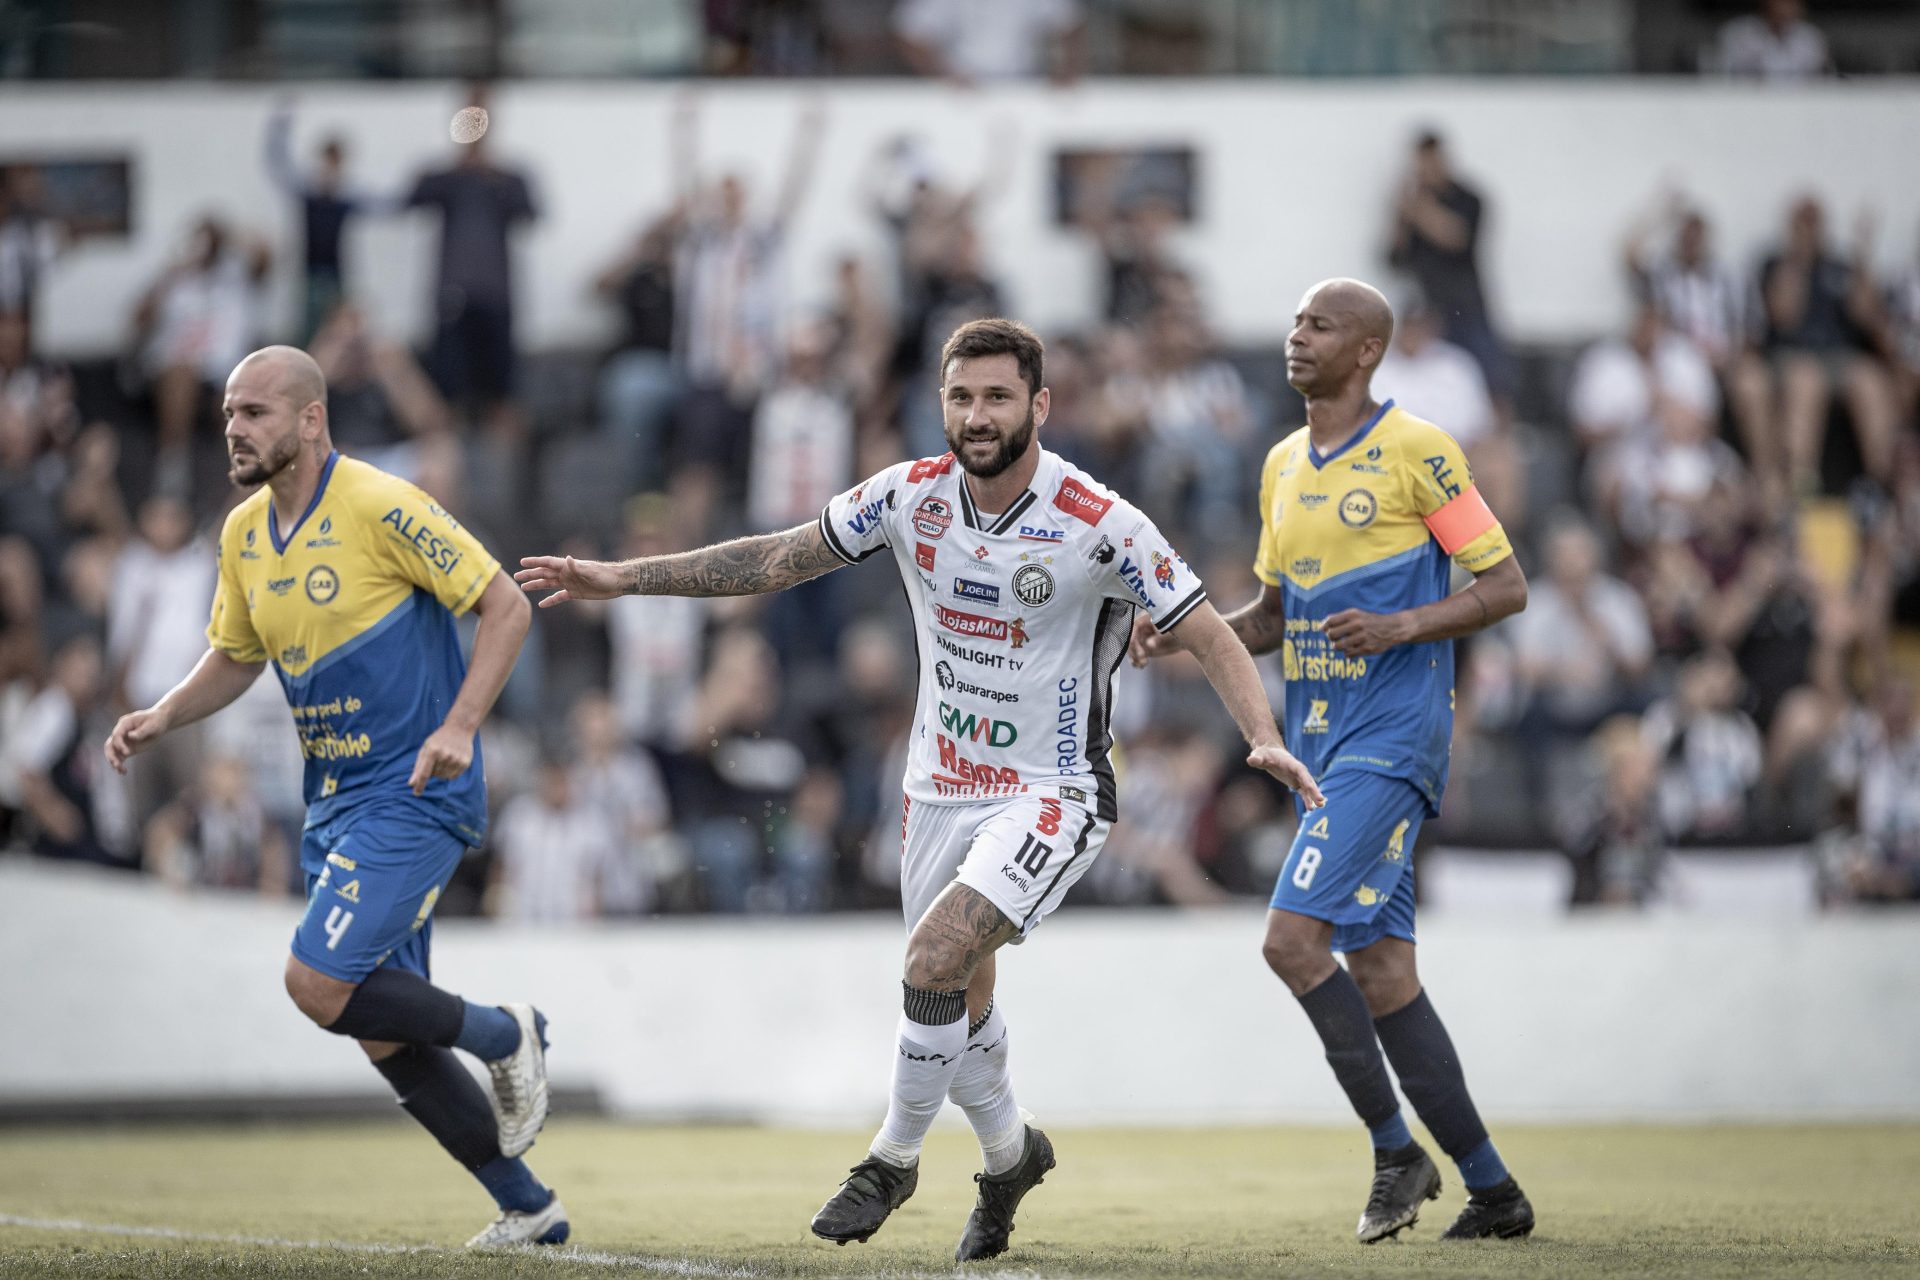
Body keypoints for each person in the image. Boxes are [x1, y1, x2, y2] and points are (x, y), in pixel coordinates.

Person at [518, 317, 1323, 1262]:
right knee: (961, 997)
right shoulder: (909, 497)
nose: (977, 417)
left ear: (1040, 406)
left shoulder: (1101, 521)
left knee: (933, 959)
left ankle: (890, 1161)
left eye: (997, 397)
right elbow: (776, 558)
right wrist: (624, 578)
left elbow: (1208, 630)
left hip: (1054, 789)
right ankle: (1010, 1155)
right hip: (937, 787)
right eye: (960, 397)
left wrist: (1261, 738)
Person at [101, 345, 565, 1248]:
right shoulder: (240, 534)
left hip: (418, 795)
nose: (233, 428)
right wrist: (165, 713)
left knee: (317, 982)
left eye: (255, 413)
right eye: (229, 412)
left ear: (311, 420)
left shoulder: (381, 503)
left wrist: (462, 725)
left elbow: (504, 605)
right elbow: (237, 656)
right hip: (336, 804)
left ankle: (508, 1034)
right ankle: (528, 1206)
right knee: (384, 1029)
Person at [1134, 279, 1533, 1243]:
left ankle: (1397, 1153)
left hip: (1392, 745)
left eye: (1319, 325)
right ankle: (1493, 1191)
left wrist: (1401, 623)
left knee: (1289, 941)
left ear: (1366, 352)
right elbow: (1273, 619)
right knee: (1385, 971)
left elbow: (1506, 584)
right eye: (1294, 322)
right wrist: (1187, 635)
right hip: (1322, 748)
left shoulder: (1420, 452)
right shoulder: (1279, 465)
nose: (1296, 336)